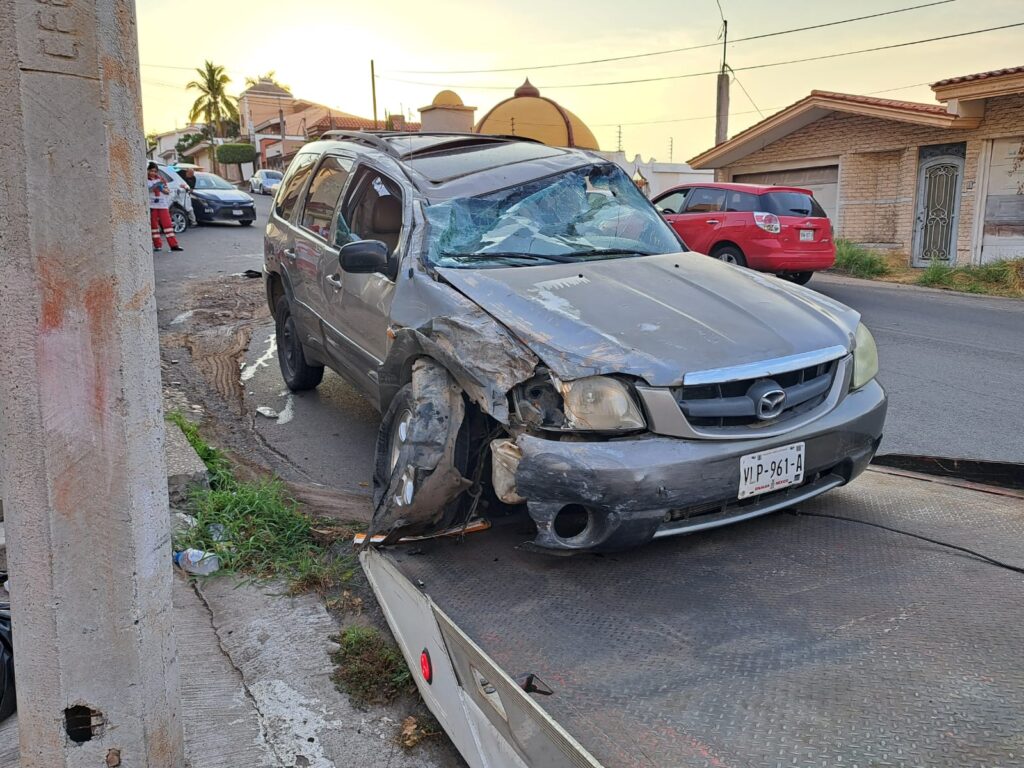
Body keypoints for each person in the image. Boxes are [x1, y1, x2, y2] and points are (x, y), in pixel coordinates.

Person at [147, 163, 183, 252]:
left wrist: (162, 189)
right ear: (148, 170)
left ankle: (174, 245)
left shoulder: (161, 179)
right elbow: (148, 190)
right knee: (154, 227)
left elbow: (167, 191)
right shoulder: (146, 180)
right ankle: (157, 245)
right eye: (151, 171)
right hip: (152, 205)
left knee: (168, 225)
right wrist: (154, 187)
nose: (153, 173)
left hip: (162, 205)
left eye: (155, 171)